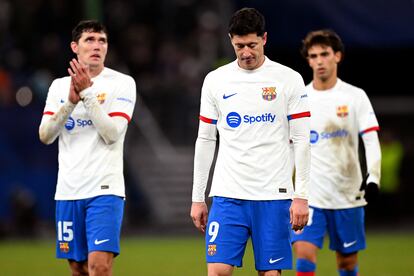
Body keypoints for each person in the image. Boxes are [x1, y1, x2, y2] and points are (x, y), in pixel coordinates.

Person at [190, 8, 311, 276]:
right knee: (217, 271)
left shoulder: (288, 79)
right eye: (239, 46)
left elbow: (302, 140)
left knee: (270, 274)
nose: (246, 52)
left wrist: (301, 195)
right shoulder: (215, 80)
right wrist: (197, 198)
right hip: (228, 195)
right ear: (231, 40)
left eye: (252, 45)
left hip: (273, 195)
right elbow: (205, 139)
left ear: (264, 39)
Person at [39, 20, 136, 276]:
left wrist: (86, 95)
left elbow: (112, 133)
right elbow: (46, 135)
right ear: (75, 47)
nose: (97, 46)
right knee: (78, 269)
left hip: (104, 189)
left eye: (102, 40)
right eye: (89, 40)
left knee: (99, 267)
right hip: (68, 190)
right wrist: (70, 102)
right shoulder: (59, 86)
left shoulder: (122, 83)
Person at [291, 29, 381, 276]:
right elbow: (291, 147)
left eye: (324, 54)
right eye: (313, 56)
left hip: (347, 194)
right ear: (308, 60)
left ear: (337, 56)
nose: (319, 61)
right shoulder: (300, 99)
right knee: (304, 256)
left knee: (347, 263)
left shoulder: (354, 96)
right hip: (311, 197)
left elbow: (371, 140)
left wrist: (373, 178)